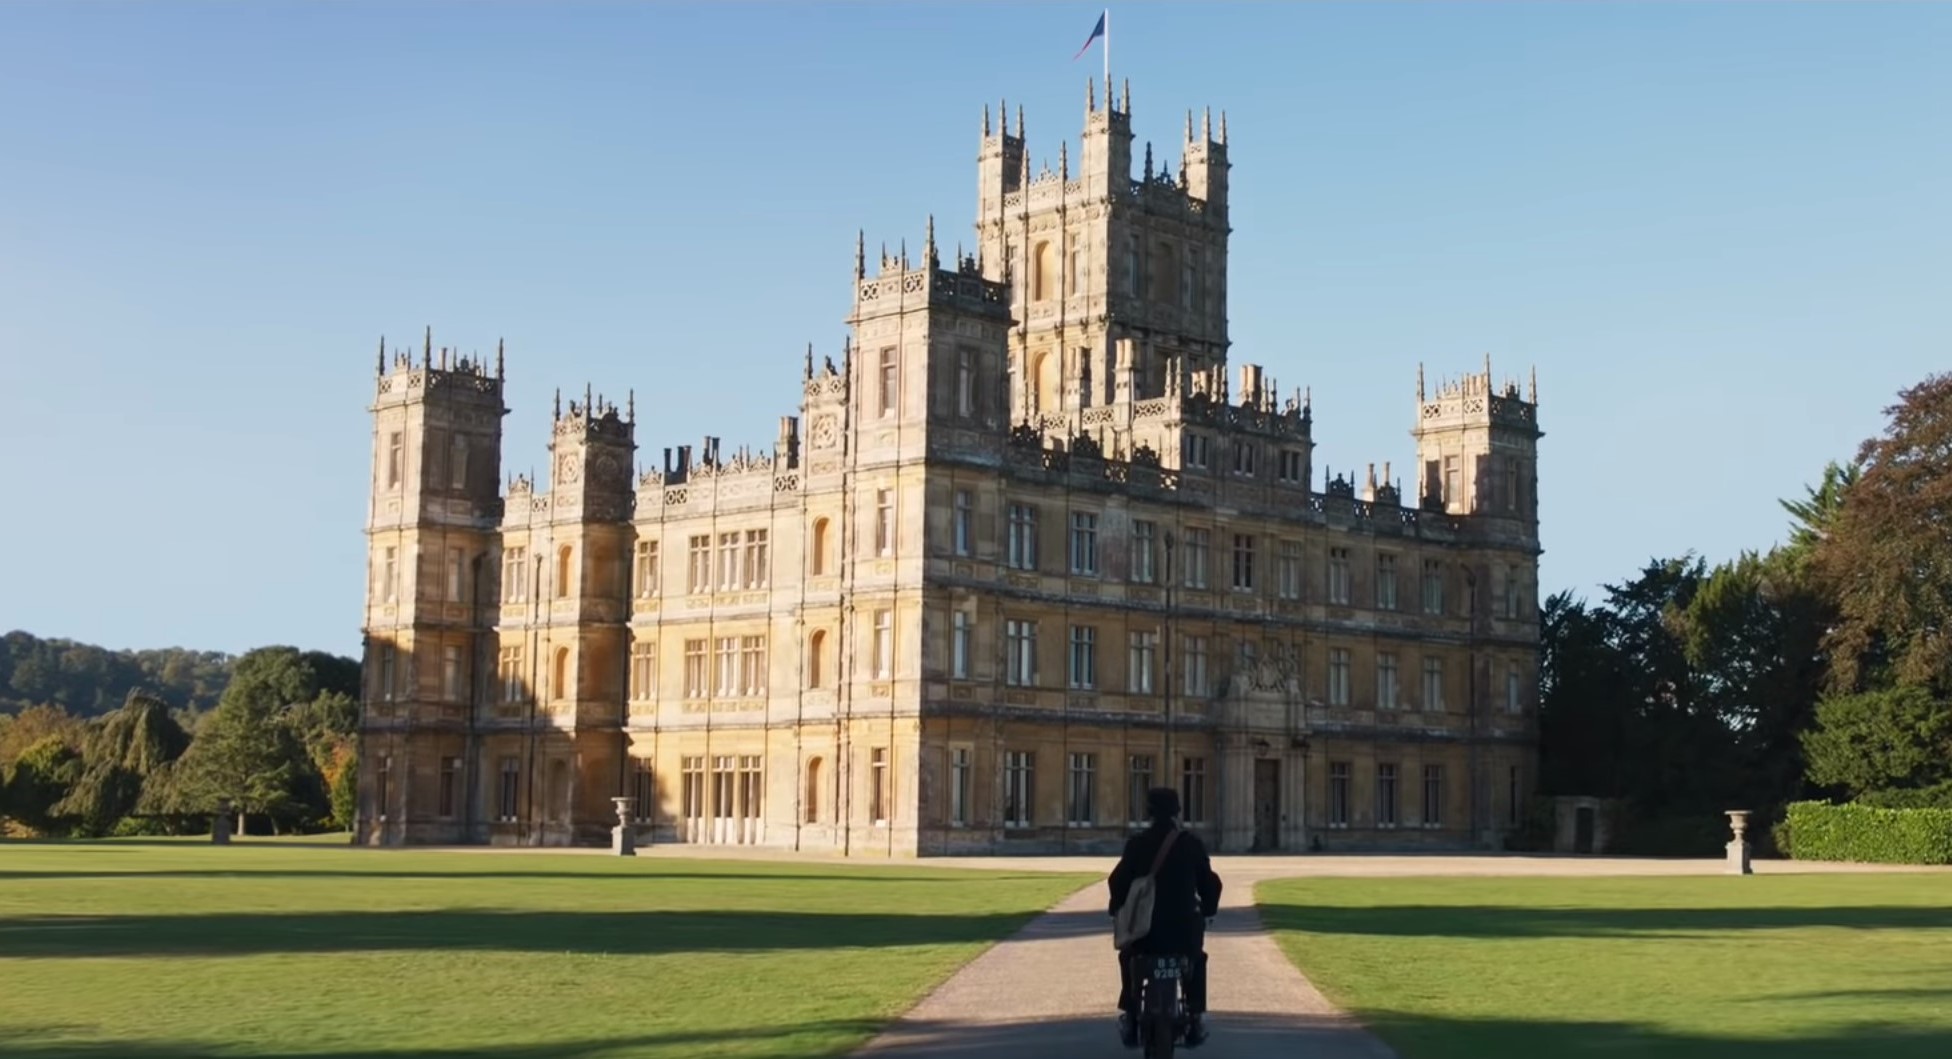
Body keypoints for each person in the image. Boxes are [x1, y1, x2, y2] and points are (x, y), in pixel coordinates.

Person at [1107, 786, 1222, 1048]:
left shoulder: (1137, 844)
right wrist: (1208, 909)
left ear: (1148, 812)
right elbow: (1210, 883)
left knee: (1128, 957)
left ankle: (1131, 1014)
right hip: (1183, 931)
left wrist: (1116, 908)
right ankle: (1195, 1014)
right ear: (1177, 812)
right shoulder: (1190, 844)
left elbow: (1117, 882)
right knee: (1197, 960)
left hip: (1145, 932)